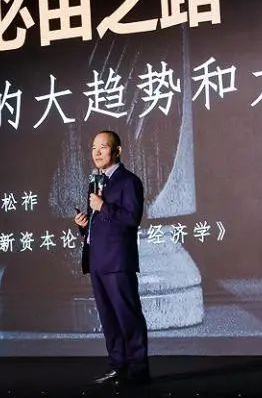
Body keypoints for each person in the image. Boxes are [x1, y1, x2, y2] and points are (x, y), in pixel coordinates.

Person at [73, 130, 150, 385]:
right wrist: (84, 224)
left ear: (117, 151)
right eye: (94, 147)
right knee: (108, 319)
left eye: (103, 147)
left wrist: (103, 206)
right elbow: (102, 223)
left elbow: (131, 219)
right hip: (97, 260)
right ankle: (118, 366)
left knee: (128, 316)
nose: (96, 152)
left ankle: (138, 370)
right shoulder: (95, 182)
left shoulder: (129, 181)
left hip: (117, 262)